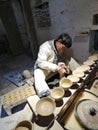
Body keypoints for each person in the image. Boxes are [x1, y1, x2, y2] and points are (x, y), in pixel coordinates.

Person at [34, 33, 80, 97]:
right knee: (38, 73)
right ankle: (45, 93)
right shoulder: (45, 47)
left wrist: (63, 65)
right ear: (59, 42)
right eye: (63, 48)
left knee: (69, 59)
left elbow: (58, 59)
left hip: (53, 65)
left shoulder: (59, 47)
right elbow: (41, 62)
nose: (63, 49)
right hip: (43, 67)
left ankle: (79, 73)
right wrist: (56, 67)